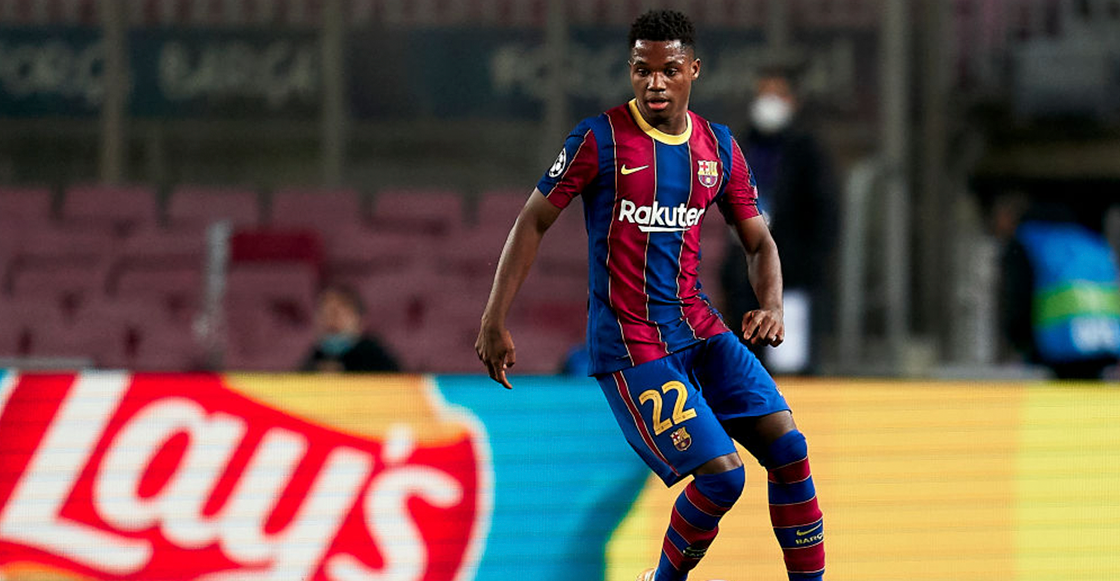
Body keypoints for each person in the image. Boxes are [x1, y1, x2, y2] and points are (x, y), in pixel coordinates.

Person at [475, 11, 825, 581]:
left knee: (790, 449)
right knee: (724, 477)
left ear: (694, 70)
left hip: (700, 330)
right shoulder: (599, 139)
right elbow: (532, 221)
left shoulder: (719, 147)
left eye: (669, 70)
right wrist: (494, 317)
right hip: (632, 343)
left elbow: (760, 241)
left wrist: (772, 305)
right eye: (642, 70)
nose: (655, 83)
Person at [720, 63, 838, 374]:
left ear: (793, 101)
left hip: (792, 278)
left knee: (789, 366)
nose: (768, 102)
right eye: (763, 94)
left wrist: (807, 266)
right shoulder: (741, 146)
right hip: (746, 275)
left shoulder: (807, 152)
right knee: (746, 368)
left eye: (777, 94)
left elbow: (824, 215)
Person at [998, 198, 1120, 379]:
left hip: (1055, 349)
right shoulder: (1089, 240)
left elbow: (1019, 297)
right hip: (1103, 342)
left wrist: (1019, 341)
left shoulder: (1027, 240)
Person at [301, 284, 401, 373]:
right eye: (324, 313)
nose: (331, 319)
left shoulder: (377, 358)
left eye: (338, 312)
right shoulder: (314, 358)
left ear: (360, 320)